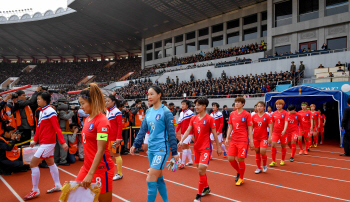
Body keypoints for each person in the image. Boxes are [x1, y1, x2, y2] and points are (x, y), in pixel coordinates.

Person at [130, 85, 179, 202]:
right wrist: (135, 144)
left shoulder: (166, 112)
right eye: (148, 94)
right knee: (159, 179)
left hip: (162, 149)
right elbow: (142, 130)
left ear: (159, 94)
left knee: (150, 179)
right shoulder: (148, 111)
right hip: (151, 149)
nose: (149, 97)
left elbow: (172, 133)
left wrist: (175, 152)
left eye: (152, 94)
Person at [23, 92, 68, 200]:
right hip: (44, 142)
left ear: (45, 100)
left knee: (33, 164)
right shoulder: (41, 111)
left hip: (48, 143)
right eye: (37, 99)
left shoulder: (50, 112)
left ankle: (35, 190)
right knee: (50, 163)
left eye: (39, 99)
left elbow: (57, 128)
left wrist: (62, 142)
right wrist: (35, 140)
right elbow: (38, 128)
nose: (37, 101)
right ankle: (57, 184)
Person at [75, 83, 115, 202]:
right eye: (80, 104)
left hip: (101, 170)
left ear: (92, 102)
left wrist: (91, 174)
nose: (81, 107)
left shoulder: (102, 121)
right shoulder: (87, 119)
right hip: (87, 167)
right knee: (74, 196)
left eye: (83, 103)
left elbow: (100, 150)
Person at [179, 97, 222, 202]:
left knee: (201, 169)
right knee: (200, 171)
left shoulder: (210, 118)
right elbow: (188, 130)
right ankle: (206, 188)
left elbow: (215, 134)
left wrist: (219, 147)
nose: (196, 107)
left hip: (206, 147)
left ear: (204, 106)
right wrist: (181, 141)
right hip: (197, 147)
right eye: (196, 105)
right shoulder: (193, 118)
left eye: (198, 105)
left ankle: (198, 195)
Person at [225, 97, 253, 186]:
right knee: (230, 158)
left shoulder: (247, 114)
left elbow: (249, 128)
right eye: (235, 102)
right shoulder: (232, 114)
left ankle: (241, 178)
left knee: (240, 159)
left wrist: (251, 140)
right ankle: (239, 172)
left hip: (242, 140)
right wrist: (227, 137)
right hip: (233, 139)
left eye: (238, 102)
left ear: (243, 104)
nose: (236, 104)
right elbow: (230, 126)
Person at [105, 95, 123, 181]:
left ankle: (119, 173)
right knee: (107, 154)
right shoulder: (107, 111)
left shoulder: (117, 112)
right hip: (107, 137)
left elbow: (120, 125)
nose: (107, 103)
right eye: (106, 101)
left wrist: (118, 137)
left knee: (116, 155)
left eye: (108, 101)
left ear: (113, 102)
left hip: (114, 138)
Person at [251, 101, 272, 173]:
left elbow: (271, 127)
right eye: (258, 106)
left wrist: (270, 137)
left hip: (264, 137)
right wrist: (250, 137)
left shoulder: (267, 116)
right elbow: (251, 127)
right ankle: (258, 167)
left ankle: (265, 164)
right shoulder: (254, 116)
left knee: (262, 151)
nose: (259, 108)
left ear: (264, 107)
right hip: (255, 137)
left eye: (260, 106)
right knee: (257, 152)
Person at [269, 99, 289, 167]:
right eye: (277, 104)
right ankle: (273, 161)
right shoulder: (274, 113)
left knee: (283, 146)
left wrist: (284, 130)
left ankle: (282, 160)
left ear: (282, 105)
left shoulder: (285, 113)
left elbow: (286, 122)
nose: (278, 105)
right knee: (273, 145)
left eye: (280, 104)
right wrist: (271, 132)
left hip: (283, 132)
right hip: (275, 132)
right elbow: (272, 123)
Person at [176, 100, 194, 169]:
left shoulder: (191, 113)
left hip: (189, 133)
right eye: (182, 104)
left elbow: (193, 124)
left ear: (187, 105)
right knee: (187, 147)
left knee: (184, 146)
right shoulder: (181, 113)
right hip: (183, 133)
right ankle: (190, 161)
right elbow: (179, 123)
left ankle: (182, 163)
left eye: (184, 104)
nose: (182, 105)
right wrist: (176, 131)